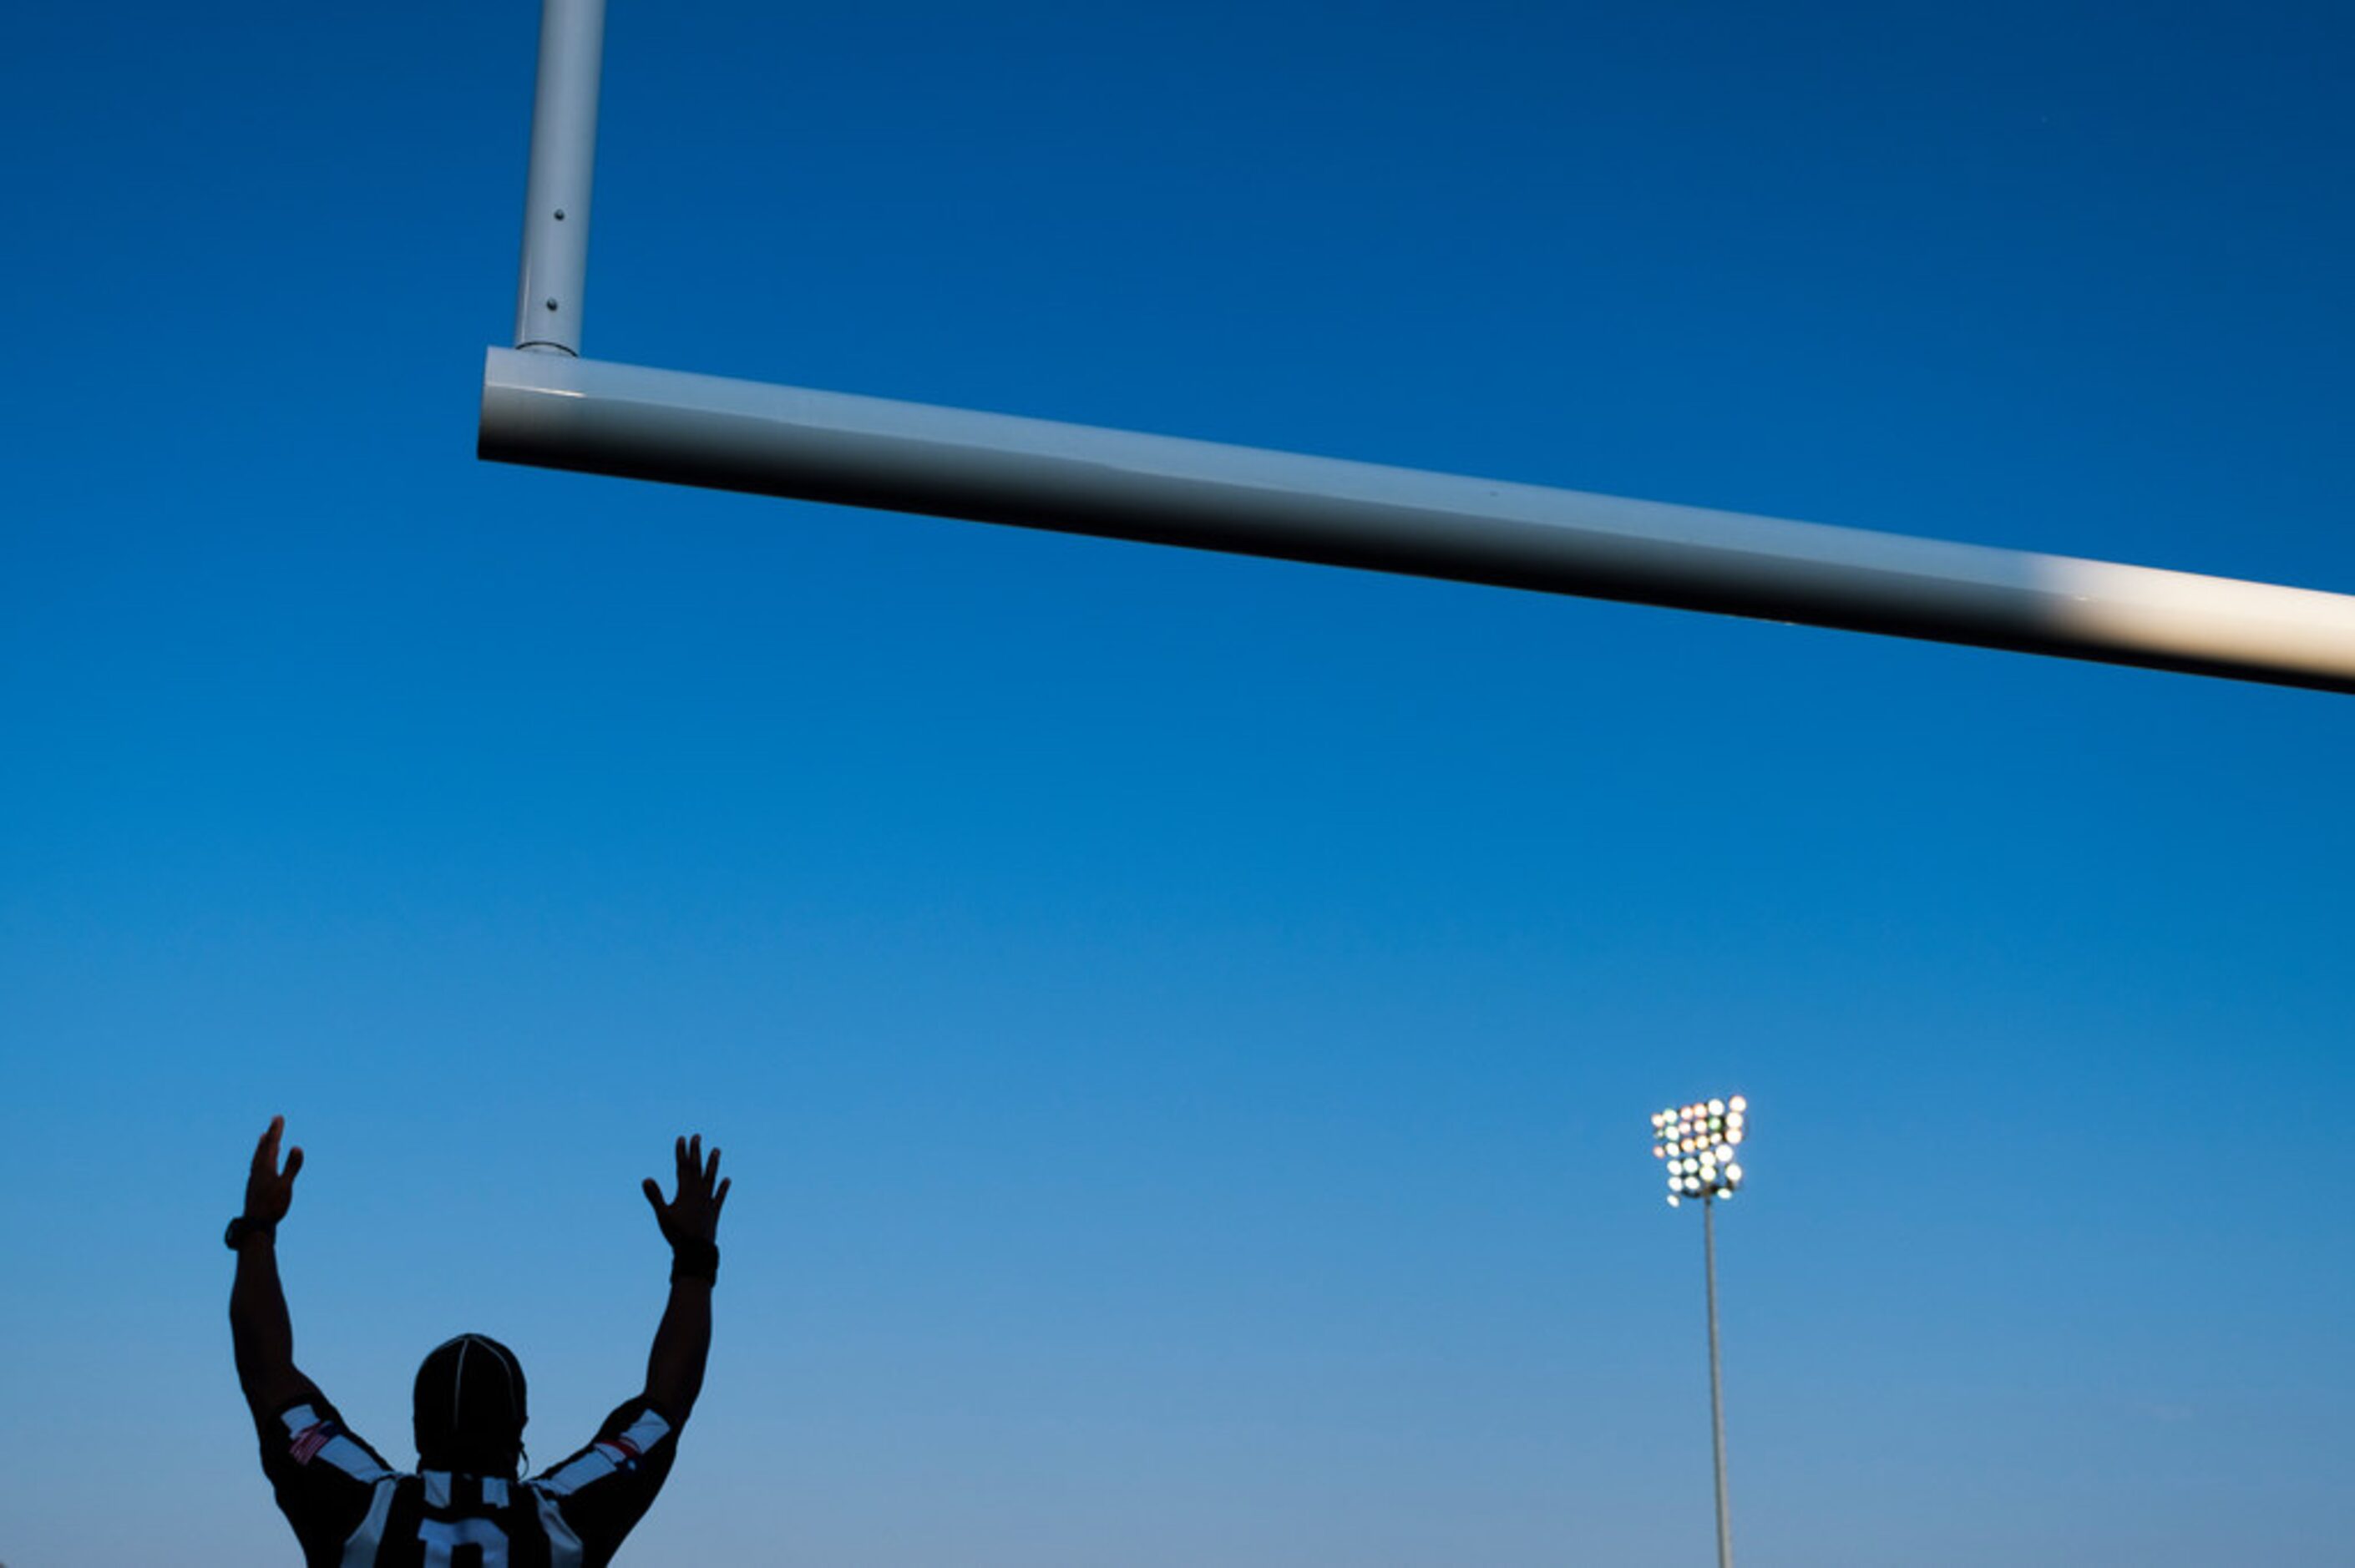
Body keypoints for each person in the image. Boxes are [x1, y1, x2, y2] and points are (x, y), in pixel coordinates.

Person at [228, 1116, 729, 1566]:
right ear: (519, 1429)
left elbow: (266, 1372)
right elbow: (665, 1402)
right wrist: (694, 1258)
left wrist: (257, 1230)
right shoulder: (561, 1524)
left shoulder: (360, 1509)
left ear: (419, 1428)